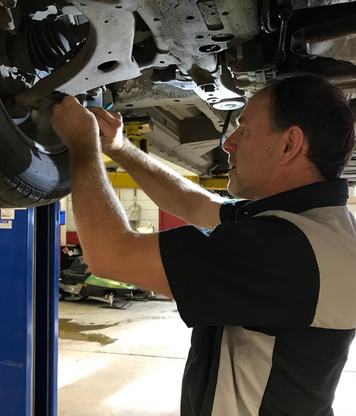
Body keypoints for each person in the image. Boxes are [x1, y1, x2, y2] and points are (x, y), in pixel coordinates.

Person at [51, 74, 356, 416]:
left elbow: (110, 255)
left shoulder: (288, 251)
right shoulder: (315, 225)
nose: (229, 143)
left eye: (245, 129)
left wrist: (82, 143)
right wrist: (119, 147)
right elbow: (192, 204)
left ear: (289, 145)